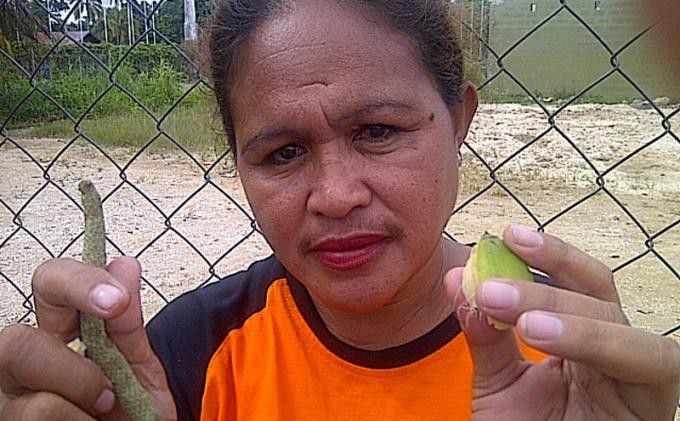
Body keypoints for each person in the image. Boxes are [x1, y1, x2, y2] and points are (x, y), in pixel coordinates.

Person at [1, 0, 679, 419]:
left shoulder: (563, 353)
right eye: (284, 152)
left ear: (459, 119)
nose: (334, 195)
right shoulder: (189, 358)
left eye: (377, 131)